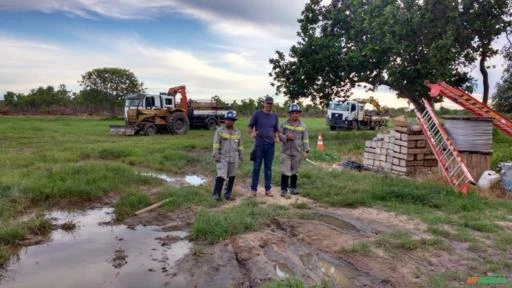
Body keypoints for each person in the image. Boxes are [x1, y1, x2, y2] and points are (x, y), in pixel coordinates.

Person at [247, 96, 280, 197]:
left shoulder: (275, 116)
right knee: (256, 167)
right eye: (267, 103)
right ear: (264, 103)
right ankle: (253, 190)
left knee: (268, 168)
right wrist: (251, 133)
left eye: (270, 104)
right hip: (259, 145)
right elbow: (249, 126)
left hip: (270, 145)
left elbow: (276, 129)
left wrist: (277, 137)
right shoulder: (257, 114)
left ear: (272, 105)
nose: (269, 105)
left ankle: (268, 189)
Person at [279, 103, 310, 197]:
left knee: (295, 171)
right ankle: (283, 190)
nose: (295, 115)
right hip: (286, 151)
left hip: (297, 152)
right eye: (293, 113)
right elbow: (279, 135)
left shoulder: (303, 126)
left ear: (299, 114)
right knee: (285, 170)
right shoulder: (284, 124)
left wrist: (306, 151)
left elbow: (305, 139)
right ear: (290, 114)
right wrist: (286, 137)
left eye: (296, 113)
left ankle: (293, 188)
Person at [212, 111, 243, 201]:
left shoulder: (237, 132)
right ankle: (216, 194)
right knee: (221, 175)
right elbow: (216, 144)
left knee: (232, 176)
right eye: (227, 120)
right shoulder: (219, 131)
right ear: (224, 120)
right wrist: (216, 154)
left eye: (231, 120)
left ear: (234, 121)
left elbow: (240, 145)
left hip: (234, 157)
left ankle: (228, 194)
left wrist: (241, 156)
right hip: (223, 157)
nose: (229, 122)